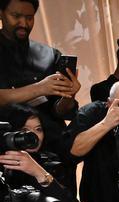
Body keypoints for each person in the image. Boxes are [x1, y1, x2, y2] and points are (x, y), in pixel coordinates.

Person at [0, 0, 81, 159]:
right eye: (16, 16)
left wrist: (69, 96)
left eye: (29, 17)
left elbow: (60, 111)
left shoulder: (50, 54)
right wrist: (40, 88)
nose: (23, 23)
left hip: (50, 151)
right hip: (6, 149)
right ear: (1, 13)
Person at [0, 103, 78, 202]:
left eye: (38, 129)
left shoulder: (51, 162)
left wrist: (37, 171)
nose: (33, 135)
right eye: (24, 129)